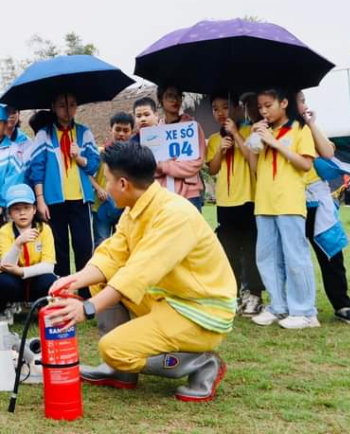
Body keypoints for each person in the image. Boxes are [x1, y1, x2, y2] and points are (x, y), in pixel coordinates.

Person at [48, 142, 236, 402]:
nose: (106, 186)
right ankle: (121, 372)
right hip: (166, 299)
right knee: (101, 282)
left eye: (108, 179)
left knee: (112, 348)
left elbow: (138, 273)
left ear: (123, 183)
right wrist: (74, 279)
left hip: (199, 311)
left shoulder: (175, 214)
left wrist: (87, 309)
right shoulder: (135, 209)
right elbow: (112, 255)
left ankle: (200, 363)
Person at [249, 88, 319, 330]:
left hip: (289, 201)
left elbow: (306, 164)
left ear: (284, 103)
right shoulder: (265, 131)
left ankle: (305, 311)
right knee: (267, 256)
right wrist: (254, 141)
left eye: (268, 105)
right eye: (260, 107)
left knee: (295, 255)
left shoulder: (300, 129)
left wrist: (275, 142)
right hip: (264, 201)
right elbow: (255, 168)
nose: (264, 110)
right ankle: (278, 306)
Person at [297, 91, 350, 326]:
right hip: (290, 201)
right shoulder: (279, 131)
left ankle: (342, 306)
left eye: (303, 100)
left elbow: (328, 152)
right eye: (299, 101)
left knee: (331, 253)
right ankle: (297, 307)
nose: (303, 105)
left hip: (317, 199)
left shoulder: (309, 129)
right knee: (294, 257)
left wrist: (312, 124)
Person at [28, 92, 101, 279]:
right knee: (59, 249)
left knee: (84, 246)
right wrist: (40, 200)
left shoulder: (84, 133)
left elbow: (94, 165)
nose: (67, 110)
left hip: (80, 198)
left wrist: (79, 157)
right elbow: (37, 168)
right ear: (53, 106)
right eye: (62, 105)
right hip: (54, 199)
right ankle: (62, 292)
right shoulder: (44, 134)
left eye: (72, 105)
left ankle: (86, 293)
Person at [205, 93, 263, 317]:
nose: (220, 113)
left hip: (249, 198)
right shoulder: (213, 139)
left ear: (238, 109)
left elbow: (253, 160)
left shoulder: (250, 131)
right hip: (225, 202)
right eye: (215, 108)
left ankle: (253, 294)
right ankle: (232, 293)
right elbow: (212, 169)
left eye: (225, 107)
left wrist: (237, 135)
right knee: (227, 250)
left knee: (251, 249)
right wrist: (221, 149)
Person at [0, 185, 57, 312]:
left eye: (26, 208)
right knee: (3, 281)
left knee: (49, 279)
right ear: (10, 212)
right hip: (14, 280)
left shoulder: (44, 229)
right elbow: (6, 265)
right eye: (16, 209)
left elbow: (49, 266)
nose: (22, 213)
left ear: (34, 209)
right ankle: (8, 306)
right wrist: (17, 244)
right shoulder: (5, 231)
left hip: (35, 277)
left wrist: (21, 271)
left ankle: (41, 306)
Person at [155, 85, 207, 211]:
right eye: (169, 96)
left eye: (178, 96)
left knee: (192, 231)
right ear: (160, 99)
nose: (175, 100)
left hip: (190, 194)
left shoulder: (193, 127)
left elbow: (196, 162)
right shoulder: (154, 132)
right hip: (163, 194)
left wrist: (164, 166)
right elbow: (149, 166)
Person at [92, 113, 134, 245]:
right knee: (101, 243)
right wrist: (98, 189)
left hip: (124, 208)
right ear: (111, 129)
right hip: (101, 205)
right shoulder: (100, 152)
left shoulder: (134, 155)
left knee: (122, 245)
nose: (121, 134)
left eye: (125, 130)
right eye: (118, 129)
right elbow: (87, 174)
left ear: (132, 132)